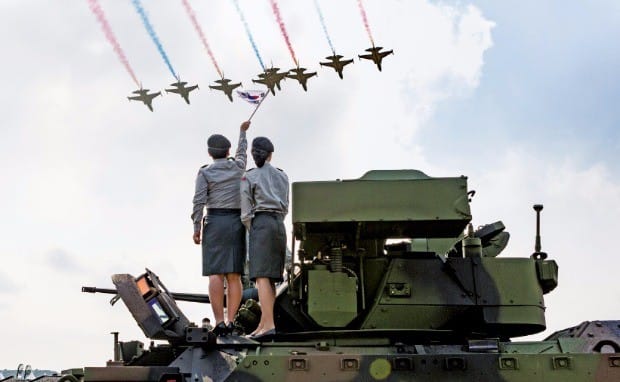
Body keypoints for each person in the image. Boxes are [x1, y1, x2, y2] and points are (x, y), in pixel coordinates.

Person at [191, 121, 251, 336]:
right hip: (236, 222)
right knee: (234, 275)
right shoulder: (237, 167)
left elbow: (198, 201)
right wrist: (242, 133)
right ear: (228, 152)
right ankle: (232, 320)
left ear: (209, 153)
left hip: (214, 222)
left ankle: (219, 322)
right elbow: (242, 153)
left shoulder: (205, 173)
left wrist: (196, 226)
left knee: (215, 275)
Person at [240, 136, 289, 338]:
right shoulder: (282, 175)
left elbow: (245, 212)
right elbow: (286, 205)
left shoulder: (249, 177)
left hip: (260, 223)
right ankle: (264, 323)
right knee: (271, 280)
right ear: (271, 154)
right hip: (278, 224)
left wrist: (255, 228)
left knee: (261, 278)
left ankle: (268, 325)